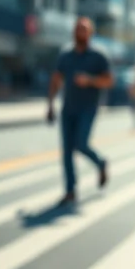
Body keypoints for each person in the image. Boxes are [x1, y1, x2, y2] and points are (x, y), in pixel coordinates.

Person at [48, 17, 113, 206]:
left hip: (88, 108)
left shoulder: (99, 56)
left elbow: (109, 81)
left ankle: (100, 163)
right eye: (78, 29)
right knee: (67, 151)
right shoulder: (66, 55)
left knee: (81, 144)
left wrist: (90, 80)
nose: (80, 32)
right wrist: (50, 105)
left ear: (90, 33)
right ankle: (70, 191)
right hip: (68, 109)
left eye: (84, 29)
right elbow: (56, 80)